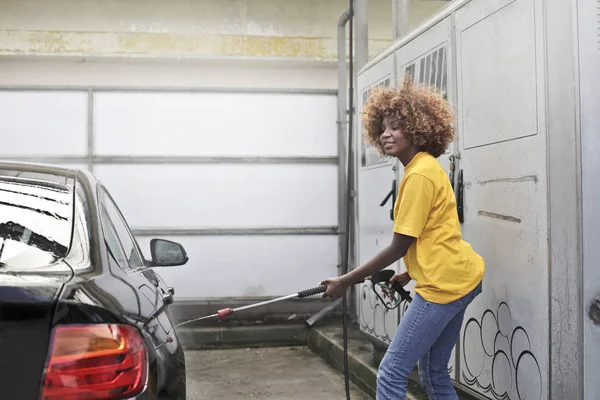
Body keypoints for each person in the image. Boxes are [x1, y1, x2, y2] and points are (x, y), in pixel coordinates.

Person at [320, 78, 485, 400]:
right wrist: (409, 272)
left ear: (418, 128)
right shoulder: (424, 168)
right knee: (434, 374)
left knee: (392, 371)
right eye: (382, 128)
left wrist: (345, 280)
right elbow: (436, 232)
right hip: (460, 277)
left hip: (444, 286)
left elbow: (399, 244)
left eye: (396, 127)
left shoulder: (419, 175)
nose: (386, 134)